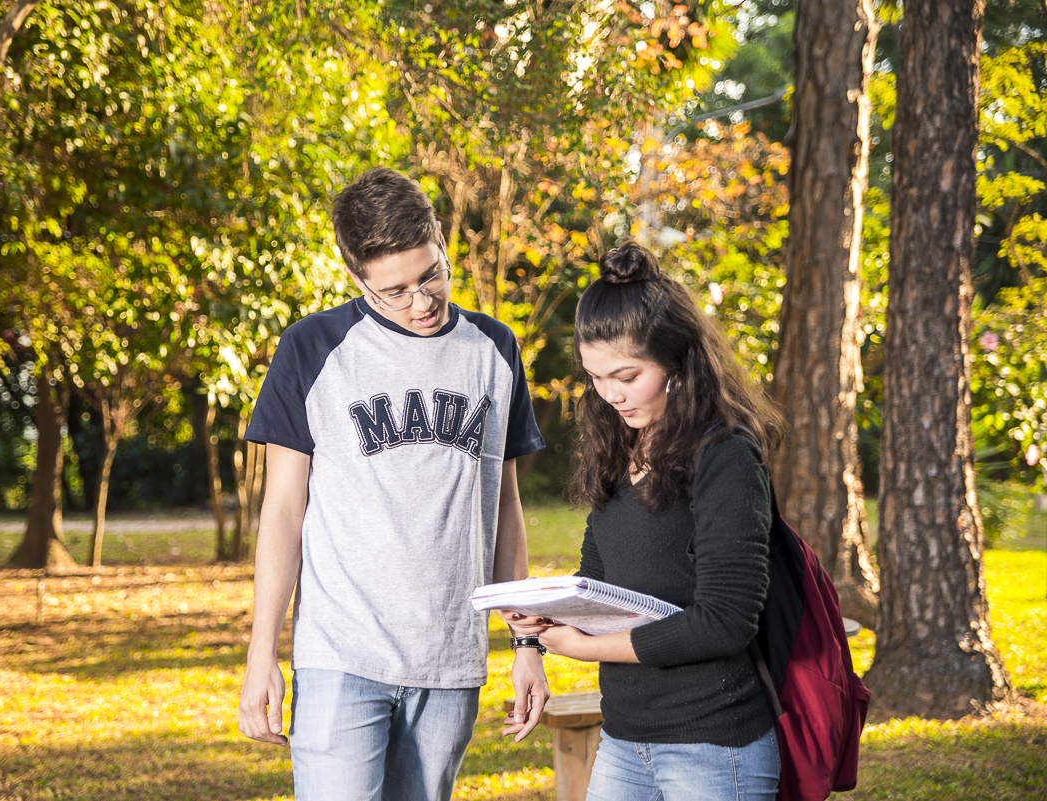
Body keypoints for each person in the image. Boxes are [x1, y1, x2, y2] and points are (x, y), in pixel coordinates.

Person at [236, 166, 550, 801]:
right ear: (357, 278)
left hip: (450, 660)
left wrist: (525, 643)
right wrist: (259, 653)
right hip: (340, 655)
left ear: (439, 240)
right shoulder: (312, 348)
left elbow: (504, 508)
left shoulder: (495, 349)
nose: (421, 302)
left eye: (430, 274)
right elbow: (283, 512)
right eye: (395, 291)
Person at [529, 241, 785, 800]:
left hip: (713, 747)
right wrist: (545, 618)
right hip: (625, 737)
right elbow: (599, 580)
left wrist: (585, 647)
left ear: (676, 358)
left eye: (626, 375)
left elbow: (725, 620)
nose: (610, 394)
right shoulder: (619, 446)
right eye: (596, 378)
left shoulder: (726, 455)